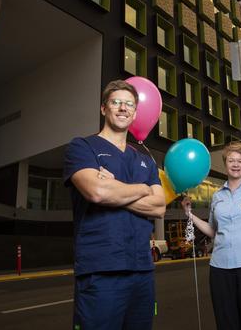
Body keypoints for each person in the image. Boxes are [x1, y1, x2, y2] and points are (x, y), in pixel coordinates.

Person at [64, 80, 166, 330]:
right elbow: (97, 192)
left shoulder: (145, 160)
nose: (123, 108)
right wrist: (143, 190)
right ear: (103, 108)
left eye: (129, 104)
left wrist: (117, 189)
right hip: (101, 271)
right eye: (116, 102)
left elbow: (159, 207)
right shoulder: (82, 147)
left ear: (135, 113)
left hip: (143, 270)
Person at [181, 142, 241, 330]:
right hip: (220, 269)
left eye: (240, 161)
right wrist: (189, 215)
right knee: (226, 324)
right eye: (231, 160)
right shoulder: (217, 196)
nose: (236, 164)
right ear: (225, 163)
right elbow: (212, 230)